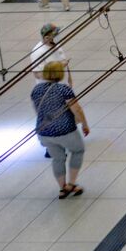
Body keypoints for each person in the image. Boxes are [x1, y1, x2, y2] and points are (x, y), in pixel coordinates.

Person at [31, 61, 89, 198]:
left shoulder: (36, 90)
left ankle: (62, 188)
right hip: (65, 130)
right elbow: (77, 109)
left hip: (44, 132)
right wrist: (84, 124)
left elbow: (38, 112)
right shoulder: (64, 89)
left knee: (57, 158)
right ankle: (71, 184)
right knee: (78, 150)